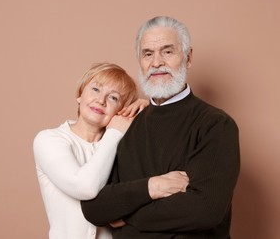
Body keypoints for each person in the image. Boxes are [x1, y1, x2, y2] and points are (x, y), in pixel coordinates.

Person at [81, 16, 241, 238]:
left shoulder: (216, 125)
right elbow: (95, 207)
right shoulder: (124, 123)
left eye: (167, 52)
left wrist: (126, 215)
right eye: (148, 53)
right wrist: (152, 187)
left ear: (188, 57)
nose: (156, 63)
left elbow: (205, 210)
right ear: (140, 60)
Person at [33, 62, 189, 239]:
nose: (101, 100)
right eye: (96, 89)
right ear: (79, 94)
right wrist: (115, 131)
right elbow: (85, 187)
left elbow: (142, 200)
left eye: (113, 98)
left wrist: (150, 112)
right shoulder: (49, 139)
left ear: (122, 110)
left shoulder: (125, 147)